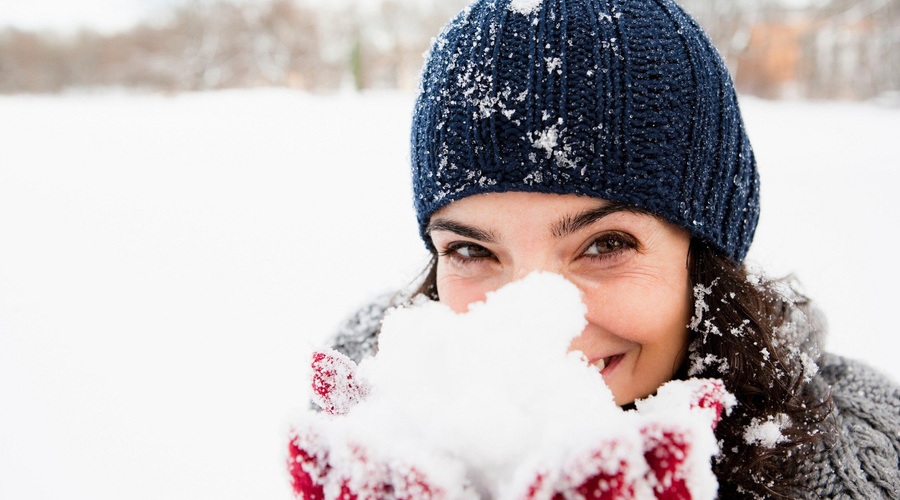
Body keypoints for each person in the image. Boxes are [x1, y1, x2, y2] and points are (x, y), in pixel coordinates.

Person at [326, 0, 900, 497]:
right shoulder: (364, 428)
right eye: (471, 251)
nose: (540, 328)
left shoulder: (867, 469)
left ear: (704, 257)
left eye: (604, 244)